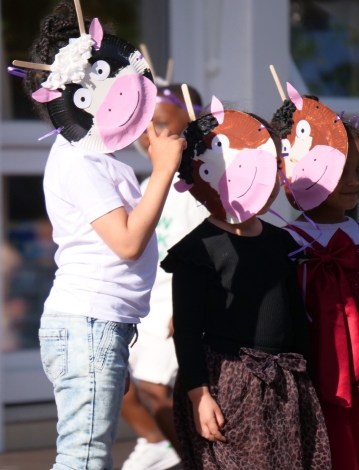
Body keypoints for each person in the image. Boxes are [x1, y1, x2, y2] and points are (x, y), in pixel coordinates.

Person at [18, 3, 184, 468]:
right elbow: (127, 242)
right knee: (84, 458)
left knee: (87, 456)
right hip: (88, 322)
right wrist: (163, 171)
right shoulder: (79, 160)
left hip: (97, 324)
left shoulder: (93, 156)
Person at [165, 102, 331, 469]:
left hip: (285, 382)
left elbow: (295, 317)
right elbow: (187, 332)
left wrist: (308, 379)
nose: (269, 183)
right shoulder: (198, 251)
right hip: (229, 384)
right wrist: (199, 395)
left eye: (273, 168)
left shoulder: (282, 242)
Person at [121, 84, 208, 470]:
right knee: (119, 386)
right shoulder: (147, 185)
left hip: (173, 305)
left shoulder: (196, 186)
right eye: (143, 125)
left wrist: (190, 306)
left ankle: (194, 460)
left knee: (157, 390)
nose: (148, 134)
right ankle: (157, 442)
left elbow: (208, 250)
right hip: (144, 305)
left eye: (158, 123)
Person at [274, 105, 359, 468]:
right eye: (340, 171)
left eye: (357, 171)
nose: (353, 181)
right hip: (316, 367)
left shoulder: (356, 234)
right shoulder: (287, 241)